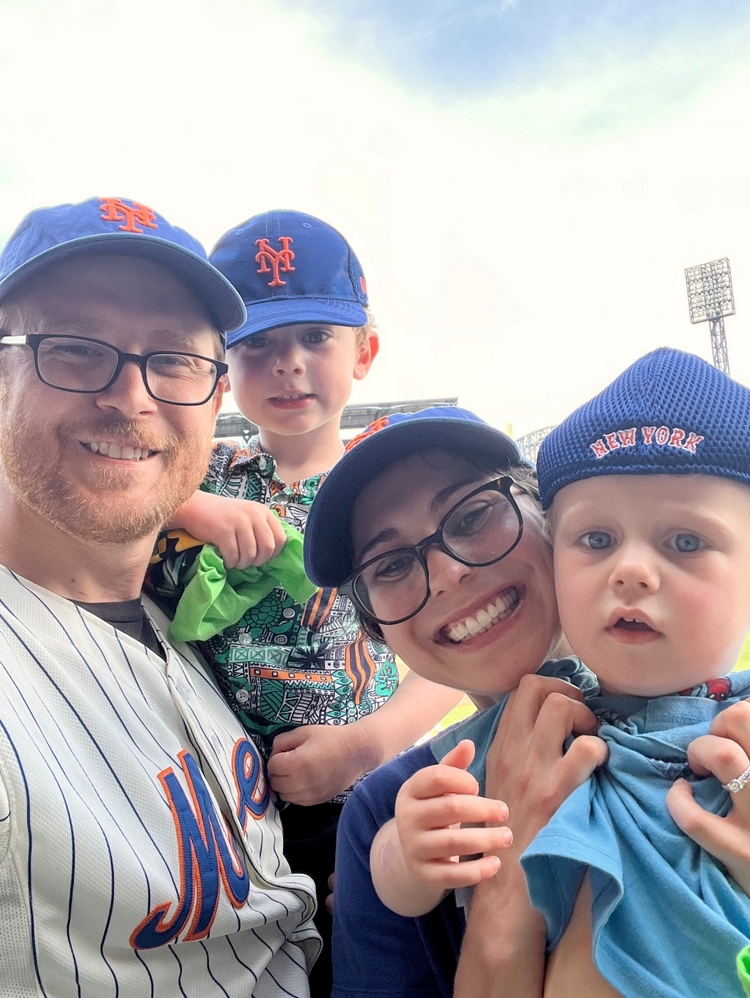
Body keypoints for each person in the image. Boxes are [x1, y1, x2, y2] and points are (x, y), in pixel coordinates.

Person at [0, 196, 320, 998]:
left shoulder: (189, 618)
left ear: (215, 398)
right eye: (76, 349)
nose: (131, 396)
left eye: (174, 359)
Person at [367, 350, 750, 997]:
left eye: (685, 542)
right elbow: (395, 869)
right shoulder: (537, 724)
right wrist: (406, 854)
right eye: (597, 540)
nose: (632, 570)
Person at [148, 209, 462, 996]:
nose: (287, 364)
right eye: (258, 344)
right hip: (214, 806)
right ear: (223, 367)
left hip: (358, 800)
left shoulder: (384, 489)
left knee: (366, 969)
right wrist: (192, 507)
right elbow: (102, 495)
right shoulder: (205, 470)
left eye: (316, 337)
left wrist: (365, 745)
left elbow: (454, 651)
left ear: (366, 352)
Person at [302, 405, 608, 996]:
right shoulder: (389, 816)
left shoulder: (716, 721)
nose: (445, 574)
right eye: (391, 564)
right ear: (376, 626)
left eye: (471, 516)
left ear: (547, 515)